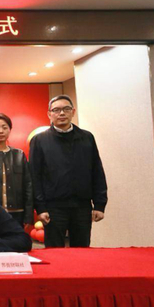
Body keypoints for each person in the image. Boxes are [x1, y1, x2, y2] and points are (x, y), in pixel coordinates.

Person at [29, 95, 107, 248]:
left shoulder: (87, 138)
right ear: (49, 114)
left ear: (73, 112)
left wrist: (99, 204)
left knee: (82, 251)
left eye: (66, 109)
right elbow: (35, 176)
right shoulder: (39, 140)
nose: (61, 113)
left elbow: (97, 171)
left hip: (82, 206)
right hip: (53, 208)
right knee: (54, 252)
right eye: (56, 110)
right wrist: (40, 208)